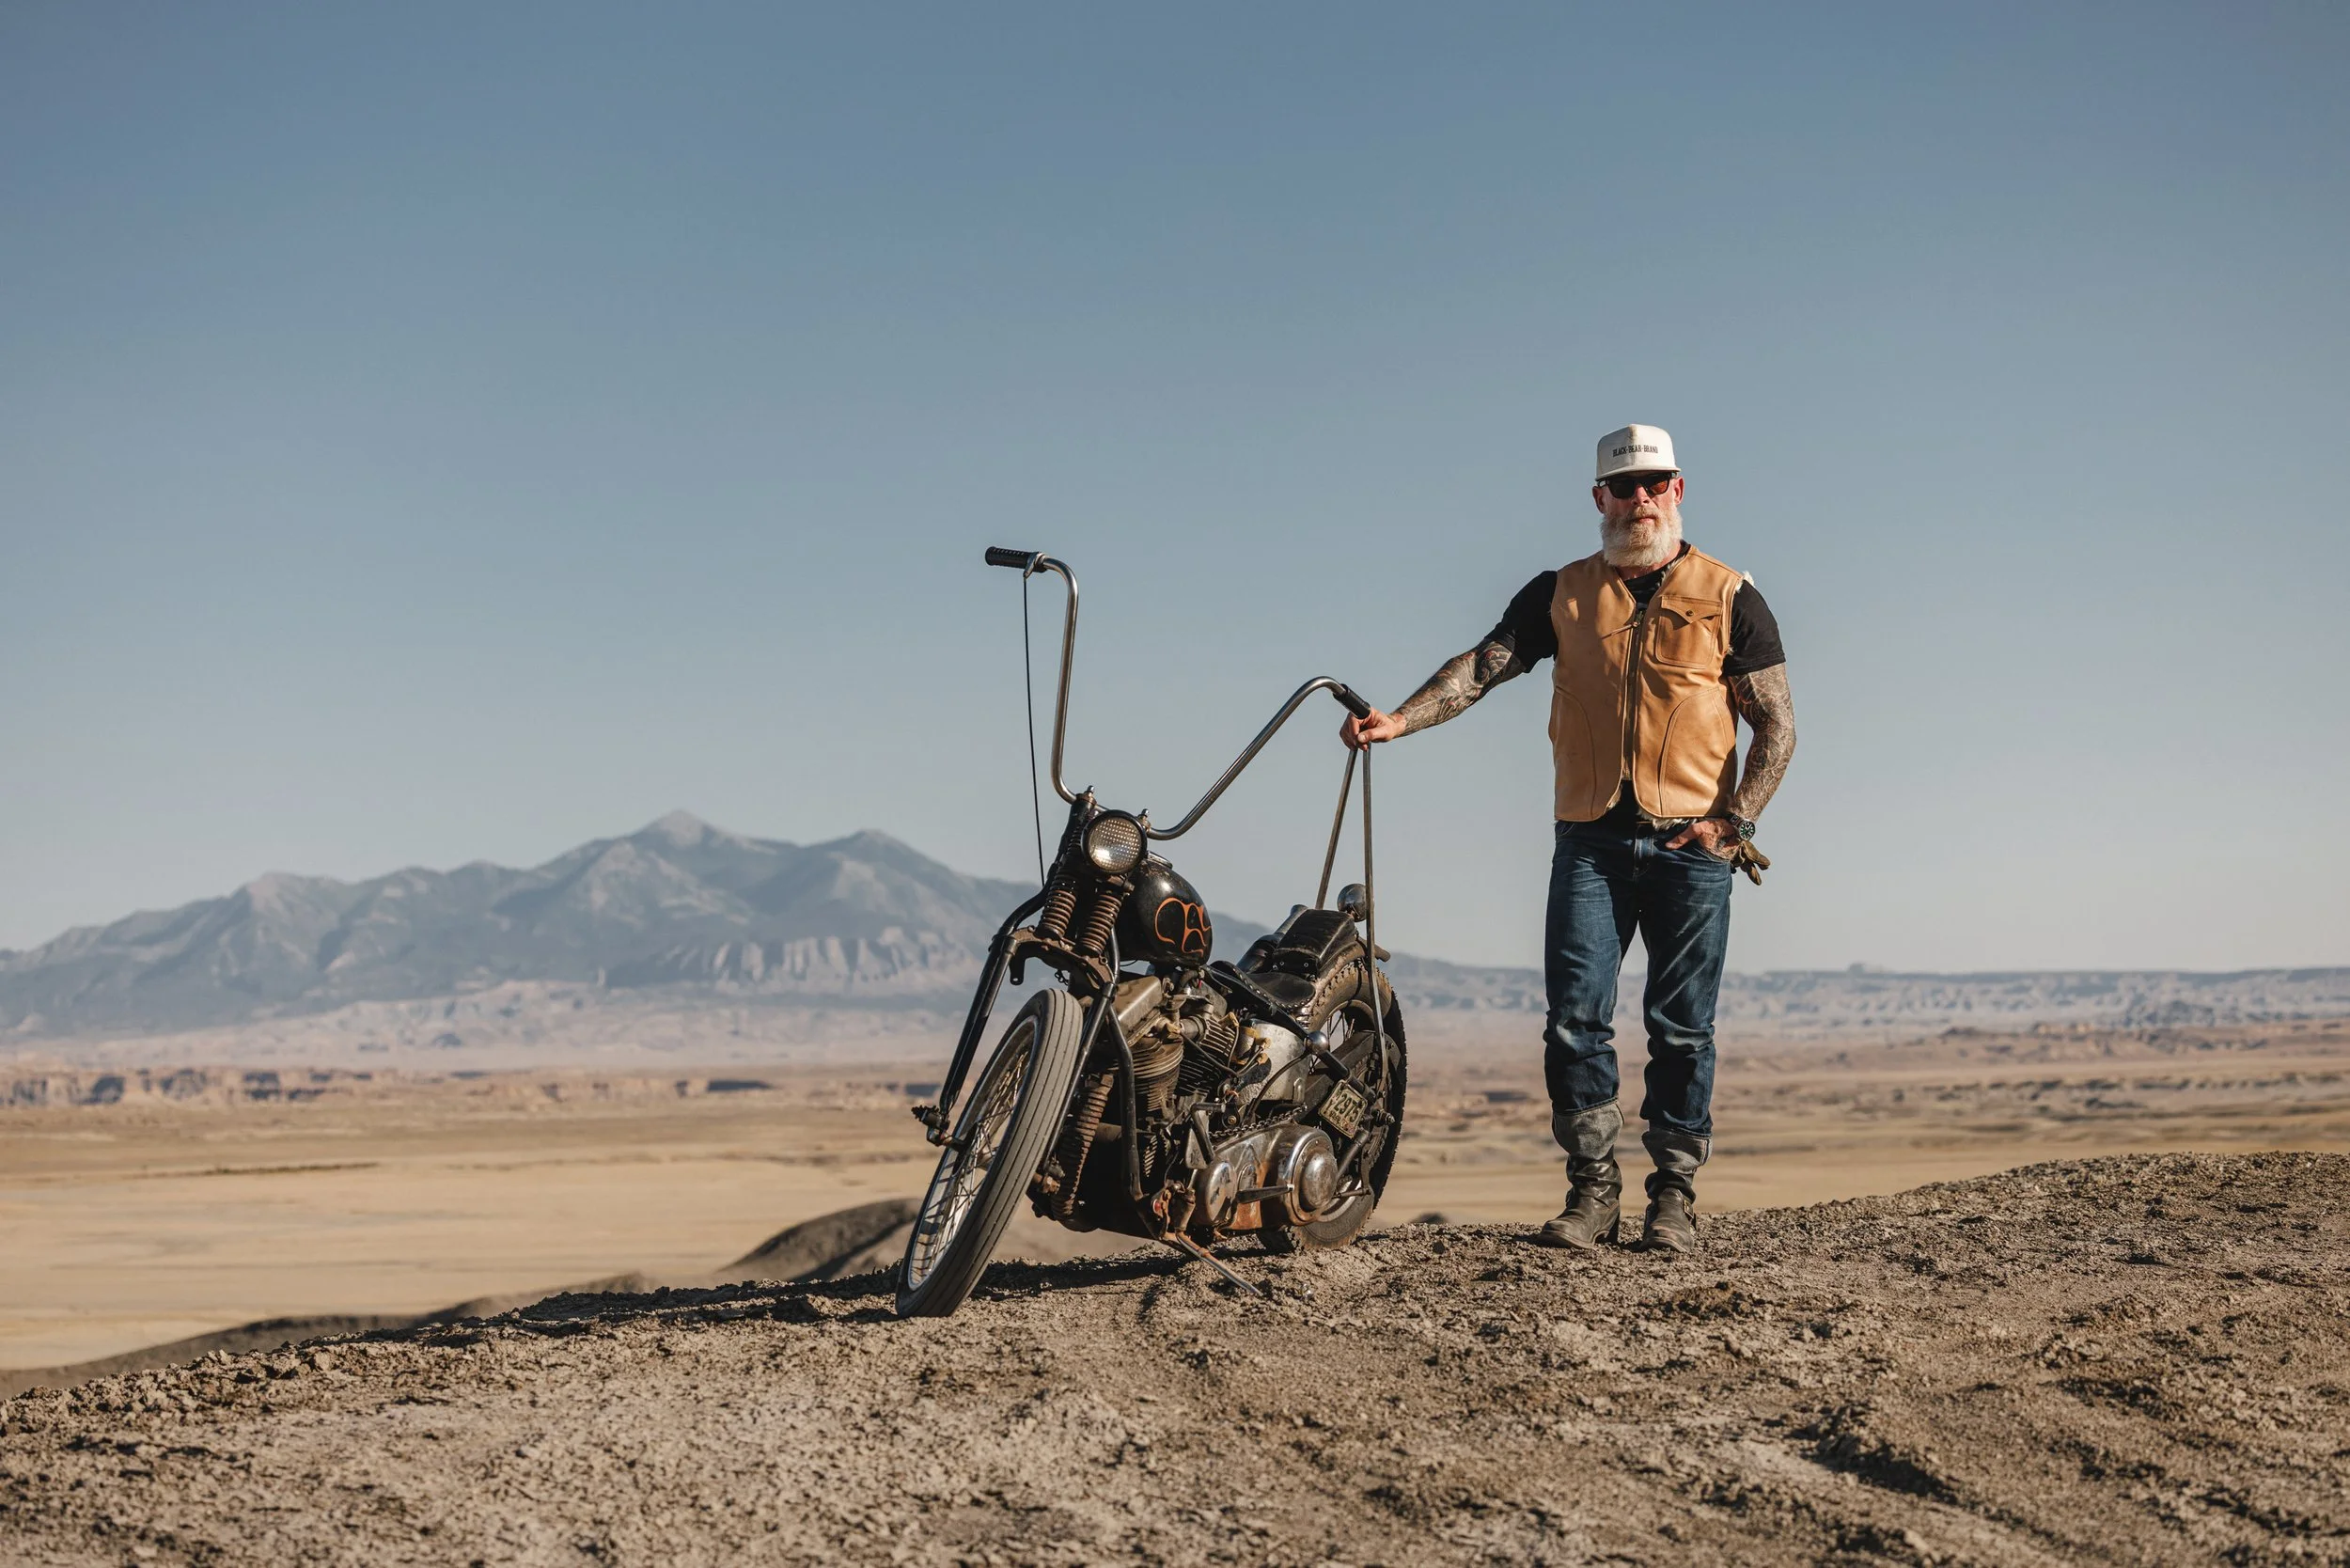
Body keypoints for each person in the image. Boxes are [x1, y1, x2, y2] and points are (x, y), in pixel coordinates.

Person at [1340, 424, 1795, 1254]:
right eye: (1624, 488)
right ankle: (1592, 1193)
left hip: (1692, 848)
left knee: (1682, 1027)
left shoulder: (1729, 595)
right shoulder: (1562, 592)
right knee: (1572, 1023)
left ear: (1679, 489)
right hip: (1589, 840)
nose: (1641, 500)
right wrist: (1398, 721)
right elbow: (1483, 665)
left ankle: (1675, 1198)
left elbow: (1777, 725)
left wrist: (1733, 825)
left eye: (1655, 484)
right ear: (1599, 499)